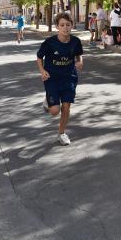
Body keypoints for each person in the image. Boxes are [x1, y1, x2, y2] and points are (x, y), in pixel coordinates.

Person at [37, 12, 84, 146]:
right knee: (54, 111)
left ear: (72, 26)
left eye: (68, 25)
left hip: (69, 78)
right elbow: (39, 57)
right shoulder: (50, 43)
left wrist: (80, 62)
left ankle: (61, 133)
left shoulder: (75, 41)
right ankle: (48, 100)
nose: (65, 28)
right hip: (52, 78)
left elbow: (79, 55)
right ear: (57, 27)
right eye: (62, 25)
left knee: (66, 107)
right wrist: (42, 70)